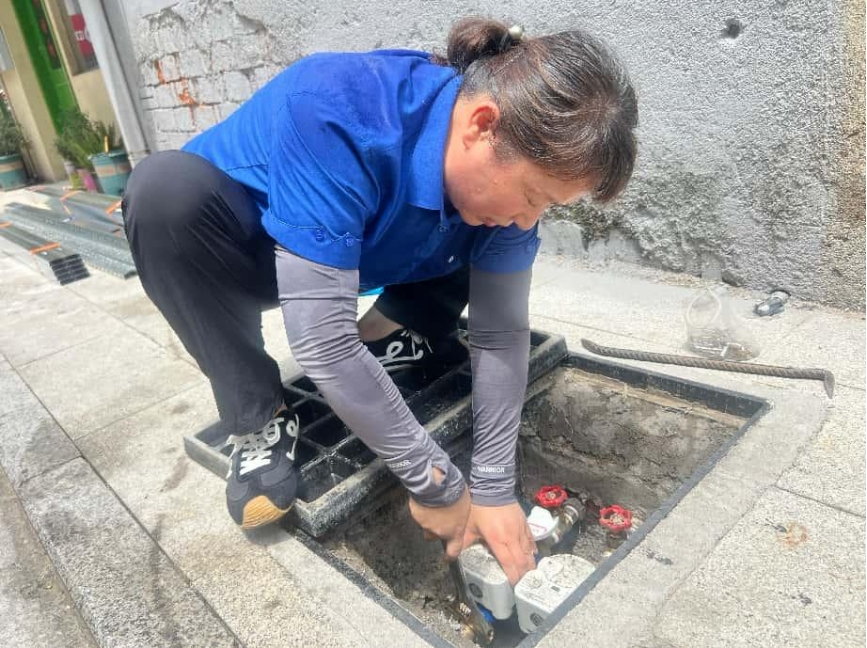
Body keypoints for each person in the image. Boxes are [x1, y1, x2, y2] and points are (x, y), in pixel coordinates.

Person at [123, 17, 637, 586]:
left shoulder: (503, 180)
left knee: (486, 218)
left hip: (372, 244)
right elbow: (321, 341)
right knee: (161, 192)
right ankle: (258, 416)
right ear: (483, 124)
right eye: (534, 195)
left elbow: (500, 333)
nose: (528, 219)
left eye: (548, 207)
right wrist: (435, 483)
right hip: (256, 248)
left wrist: (492, 485)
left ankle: (389, 333)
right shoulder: (336, 108)